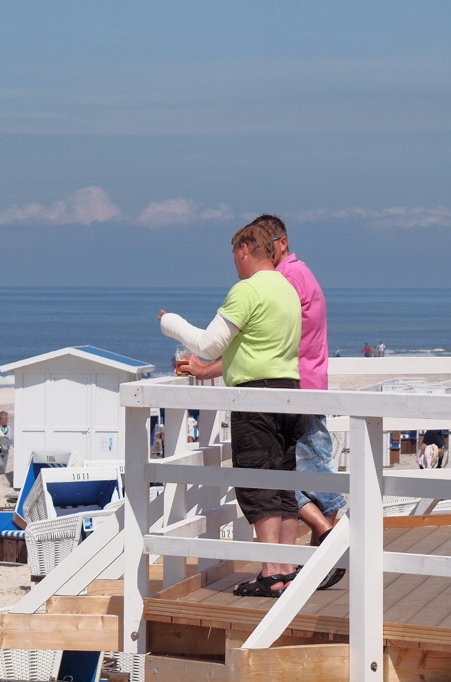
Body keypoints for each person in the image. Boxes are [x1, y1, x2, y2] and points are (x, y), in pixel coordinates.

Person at [180, 215, 347, 590]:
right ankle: (290, 565)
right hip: (297, 387)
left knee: (270, 483)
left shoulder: (280, 282)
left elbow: (249, 342)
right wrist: (212, 370)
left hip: (280, 391)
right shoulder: (293, 281)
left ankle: (314, 547)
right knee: (291, 479)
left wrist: (171, 323)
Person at [159, 223, 304, 598]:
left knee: (258, 485)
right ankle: (286, 569)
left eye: (234, 256)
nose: (235, 265)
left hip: (255, 397)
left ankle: (271, 572)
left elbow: (208, 344)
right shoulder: (287, 289)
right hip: (290, 391)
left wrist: (170, 324)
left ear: (244, 250)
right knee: (284, 484)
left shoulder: (248, 289)